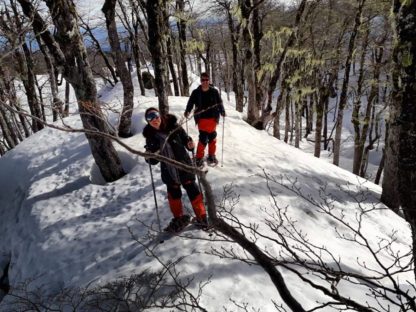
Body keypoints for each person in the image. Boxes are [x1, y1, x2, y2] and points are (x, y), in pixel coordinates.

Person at [142, 107, 208, 232]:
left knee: (193, 190)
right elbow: (154, 160)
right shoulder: (150, 136)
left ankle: (202, 217)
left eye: (155, 116)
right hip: (169, 171)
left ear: (160, 115)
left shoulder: (174, 126)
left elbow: (186, 140)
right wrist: (149, 157)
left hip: (184, 166)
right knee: (174, 194)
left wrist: (190, 144)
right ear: (147, 121)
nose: (154, 120)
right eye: (150, 118)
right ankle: (179, 218)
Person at [184, 72, 225, 167]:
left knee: (212, 137)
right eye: (203, 80)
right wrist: (187, 111)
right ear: (200, 81)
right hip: (201, 119)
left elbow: (219, 102)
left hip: (213, 119)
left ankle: (211, 155)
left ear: (209, 80)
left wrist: (222, 111)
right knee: (203, 138)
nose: (205, 82)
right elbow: (190, 103)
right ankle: (198, 158)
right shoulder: (196, 92)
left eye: (206, 80)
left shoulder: (214, 91)